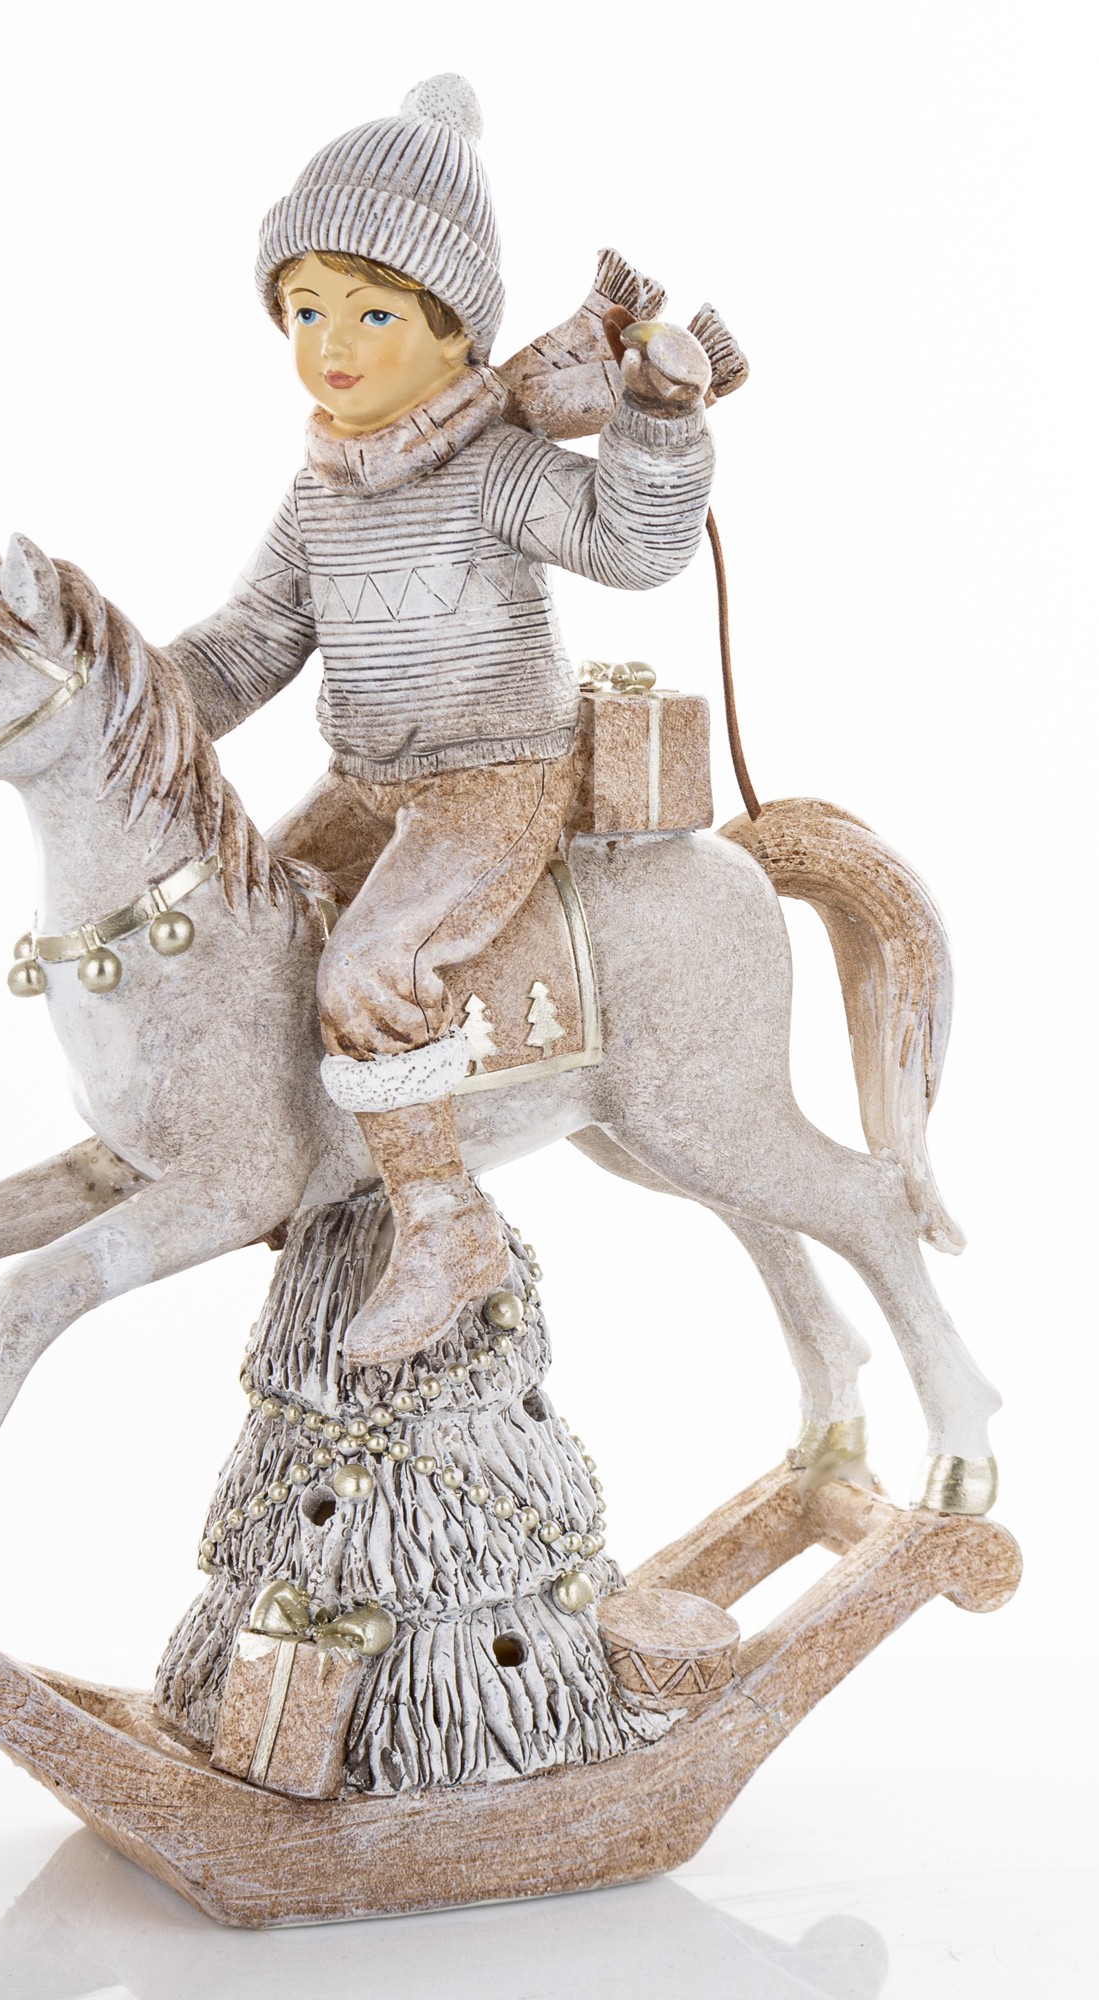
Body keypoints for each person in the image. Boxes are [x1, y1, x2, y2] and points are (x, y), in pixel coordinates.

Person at [166, 74, 714, 1366]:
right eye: (306, 309)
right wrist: (132, 704)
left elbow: (632, 548)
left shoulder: (492, 470)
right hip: (370, 779)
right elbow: (252, 642)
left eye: (372, 312)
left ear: (456, 331)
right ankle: (300, 1159)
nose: (332, 343)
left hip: (493, 778)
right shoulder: (321, 493)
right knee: (257, 920)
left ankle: (440, 1216)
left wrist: (657, 427)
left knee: (366, 966)